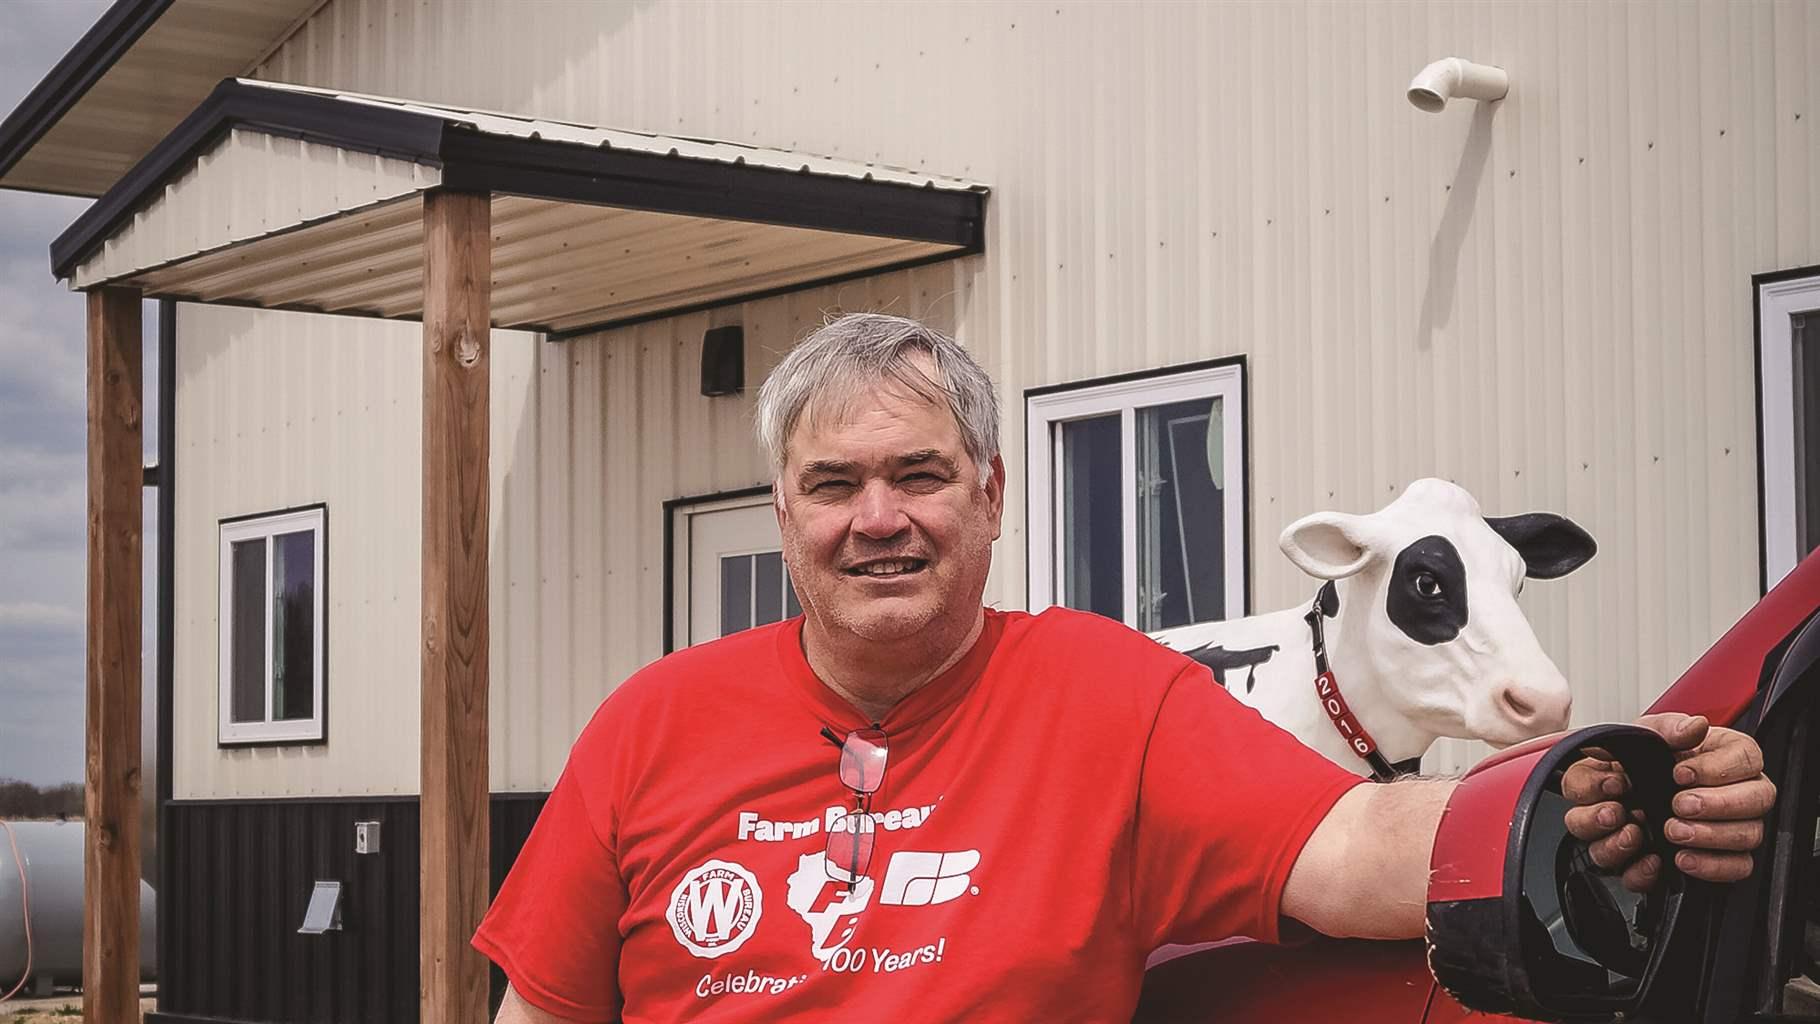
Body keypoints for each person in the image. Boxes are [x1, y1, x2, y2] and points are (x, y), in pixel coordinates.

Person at [474, 313, 1776, 1023]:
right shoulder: (651, 724)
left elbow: (1361, 842)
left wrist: (1595, 791)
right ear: (785, 515)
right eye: (836, 485)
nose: (880, 518)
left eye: (921, 476)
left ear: (989, 499)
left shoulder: (1102, 697)